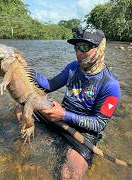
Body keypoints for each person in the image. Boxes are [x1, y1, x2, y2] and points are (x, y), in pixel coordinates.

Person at [15, 28, 120, 179]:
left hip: (84, 131)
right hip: (58, 117)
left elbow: (98, 124)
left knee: (70, 175)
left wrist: (64, 114)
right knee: (21, 107)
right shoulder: (73, 67)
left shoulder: (110, 85)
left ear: (100, 48)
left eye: (84, 47)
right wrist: (26, 69)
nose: (78, 52)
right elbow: (49, 85)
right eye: (76, 47)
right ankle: (32, 140)